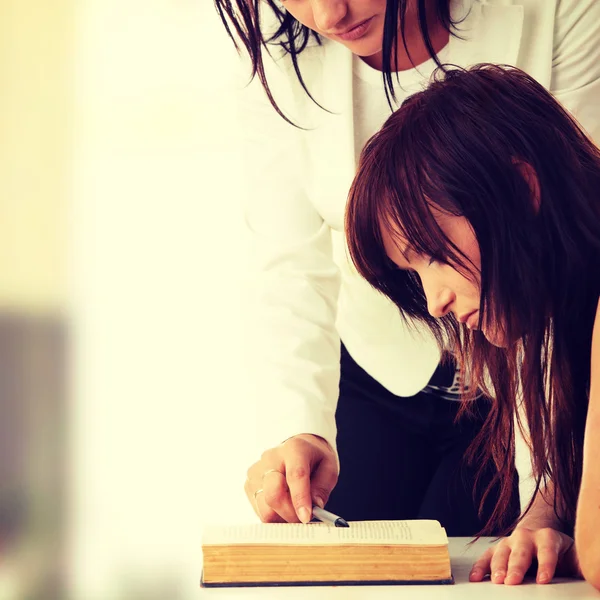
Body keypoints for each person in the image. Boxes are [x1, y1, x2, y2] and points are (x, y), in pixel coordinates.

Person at [215, 0, 600, 535]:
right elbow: (286, 265)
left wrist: (548, 498)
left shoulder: (561, 14)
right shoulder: (275, 55)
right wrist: (299, 430)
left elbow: (560, 258)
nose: (328, 15)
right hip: (375, 373)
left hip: (521, 380)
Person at [345, 63, 600, 588]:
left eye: (432, 254)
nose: (434, 302)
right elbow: (557, 479)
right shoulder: (546, 326)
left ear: (520, 187)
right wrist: (542, 521)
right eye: (414, 274)